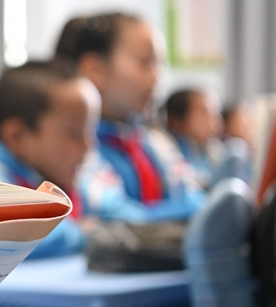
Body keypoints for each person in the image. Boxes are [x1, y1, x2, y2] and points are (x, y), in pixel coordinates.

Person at [54, 12, 204, 222]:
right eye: (144, 62)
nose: (157, 77)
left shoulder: (150, 141)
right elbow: (117, 219)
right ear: (94, 70)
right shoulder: (77, 145)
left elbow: (192, 194)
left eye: (159, 64)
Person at [0, 62, 94, 258]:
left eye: (90, 132)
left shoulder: (70, 180)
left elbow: (122, 213)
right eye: (73, 134)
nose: (88, 147)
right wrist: (85, 233)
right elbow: (20, 235)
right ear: (17, 136)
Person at [161, 88, 222, 189]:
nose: (214, 120)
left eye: (214, 113)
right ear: (176, 120)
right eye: (204, 112)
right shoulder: (162, 149)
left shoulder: (208, 149)